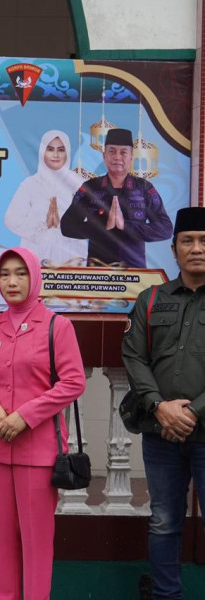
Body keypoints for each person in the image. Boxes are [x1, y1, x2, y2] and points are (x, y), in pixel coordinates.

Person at [0, 247, 86, 600]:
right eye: (5, 274)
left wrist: (25, 416)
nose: (12, 281)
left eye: (20, 273)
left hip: (38, 450)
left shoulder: (57, 325)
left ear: (35, 277)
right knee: (2, 538)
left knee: (36, 541)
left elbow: (73, 382)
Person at [122, 206, 205, 600]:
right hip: (160, 435)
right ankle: (166, 596)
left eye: (204, 241)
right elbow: (134, 356)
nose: (196, 248)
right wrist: (159, 406)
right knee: (163, 522)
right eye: (187, 241)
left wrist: (191, 411)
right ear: (174, 250)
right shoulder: (150, 299)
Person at [60, 128, 172, 268]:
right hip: (98, 272)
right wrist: (102, 226)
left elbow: (166, 229)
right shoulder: (90, 188)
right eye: (112, 151)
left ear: (131, 157)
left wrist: (126, 226)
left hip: (135, 273)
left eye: (123, 152)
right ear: (104, 155)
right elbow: (67, 226)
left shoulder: (144, 188)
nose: (117, 157)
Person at [4, 130, 87, 265]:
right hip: (36, 253)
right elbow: (11, 219)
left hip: (71, 255)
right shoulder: (30, 185)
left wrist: (65, 225)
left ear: (67, 152)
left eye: (61, 150)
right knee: (37, 284)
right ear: (43, 152)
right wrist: (40, 228)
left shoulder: (79, 185)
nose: (55, 155)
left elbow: (92, 222)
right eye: (50, 149)